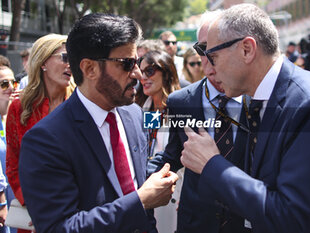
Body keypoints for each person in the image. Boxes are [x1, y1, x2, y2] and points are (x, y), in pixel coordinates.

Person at [181, 3, 310, 233]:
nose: (209, 68)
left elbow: (290, 216)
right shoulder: (260, 98)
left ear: (247, 50)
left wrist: (212, 164)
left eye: (213, 56)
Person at [18, 13, 178, 233]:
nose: (138, 74)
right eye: (127, 64)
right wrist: (140, 201)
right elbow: (59, 228)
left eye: (138, 63)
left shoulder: (134, 115)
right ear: (89, 69)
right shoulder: (45, 139)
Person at [148, 9, 249, 233]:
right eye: (203, 49)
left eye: (218, 48)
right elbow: (172, 155)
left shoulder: (259, 99)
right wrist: (138, 179)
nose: (210, 58)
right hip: (196, 223)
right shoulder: (180, 102)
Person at [5, 33, 75, 233]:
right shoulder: (19, 107)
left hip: (75, 214)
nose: (71, 64)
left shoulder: (79, 103)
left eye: (73, 58)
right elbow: (13, 163)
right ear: (43, 62)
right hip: (32, 216)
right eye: (64, 58)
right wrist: (31, 204)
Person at [137, 50, 181, 233]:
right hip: (148, 190)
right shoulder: (144, 108)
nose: (143, 78)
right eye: (141, 72)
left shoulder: (181, 107)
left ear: (166, 72)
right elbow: (151, 147)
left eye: (150, 71)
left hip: (177, 191)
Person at [0, 65, 16, 233]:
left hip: (14, 197)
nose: (11, 88)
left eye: (14, 82)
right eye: (4, 84)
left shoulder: (14, 115)